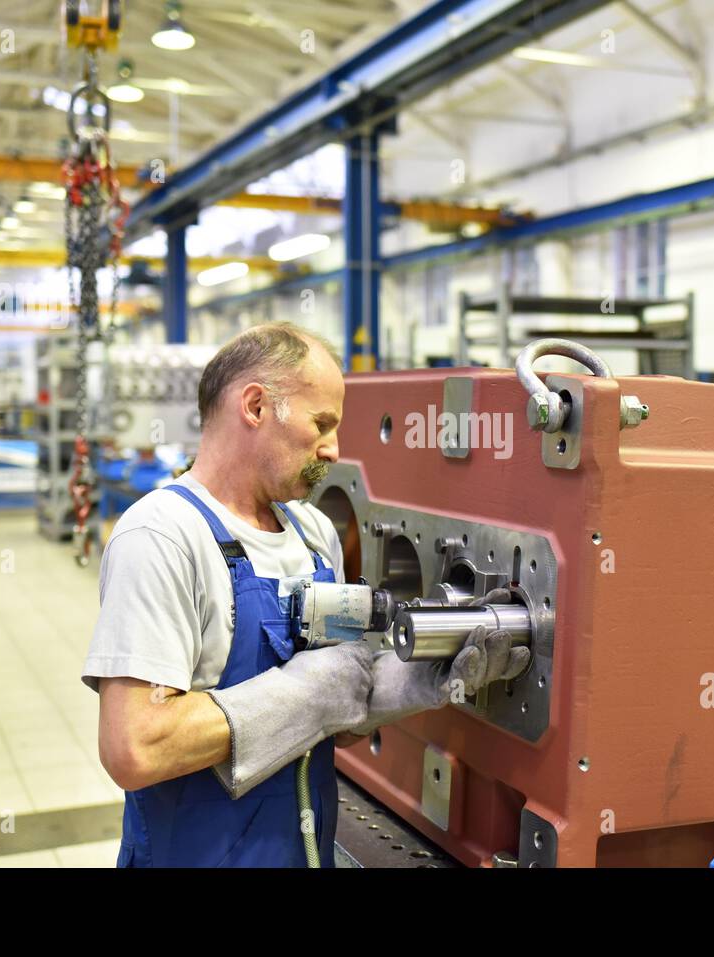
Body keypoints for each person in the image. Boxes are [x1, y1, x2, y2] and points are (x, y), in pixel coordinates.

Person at [83, 322, 527, 867]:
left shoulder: (314, 535)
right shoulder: (162, 536)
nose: (334, 448)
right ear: (255, 406)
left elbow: (331, 730)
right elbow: (135, 747)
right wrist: (304, 694)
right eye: (322, 423)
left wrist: (412, 680)